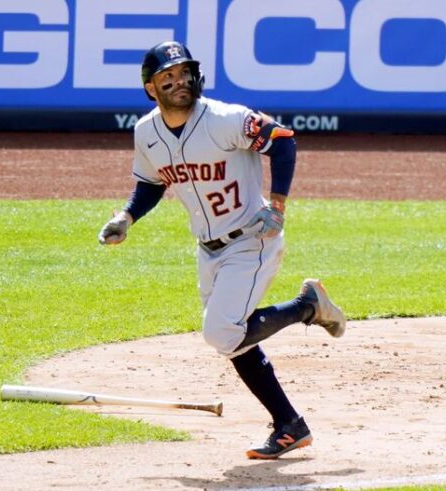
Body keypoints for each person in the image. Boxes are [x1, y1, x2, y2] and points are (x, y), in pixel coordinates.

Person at [98, 41, 346, 459]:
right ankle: (290, 425)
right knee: (236, 338)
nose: (179, 82)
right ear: (150, 89)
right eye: (167, 78)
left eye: (184, 73)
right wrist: (126, 217)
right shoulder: (147, 132)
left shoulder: (226, 119)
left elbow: (282, 141)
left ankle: (308, 306)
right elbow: (152, 183)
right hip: (208, 251)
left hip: (252, 240)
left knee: (222, 331)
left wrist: (278, 207)